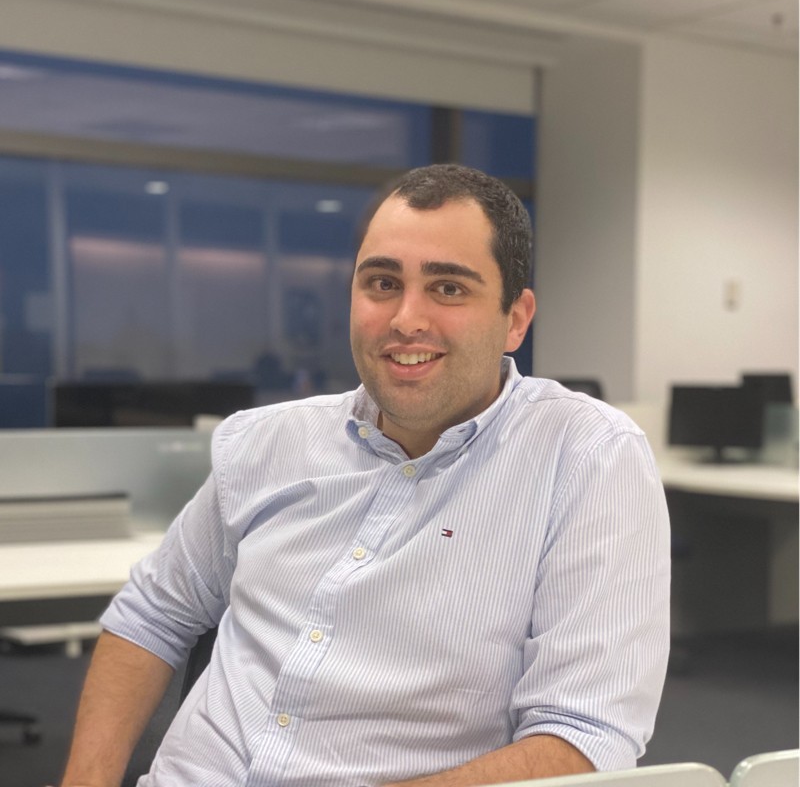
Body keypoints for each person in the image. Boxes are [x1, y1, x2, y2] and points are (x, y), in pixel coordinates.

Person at [60, 164, 670, 787]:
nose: (406, 319)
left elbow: (585, 736)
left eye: (448, 288)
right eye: (383, 283)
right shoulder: (267, 442)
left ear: (515, 318)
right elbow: (152, 615)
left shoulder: (586, 458)